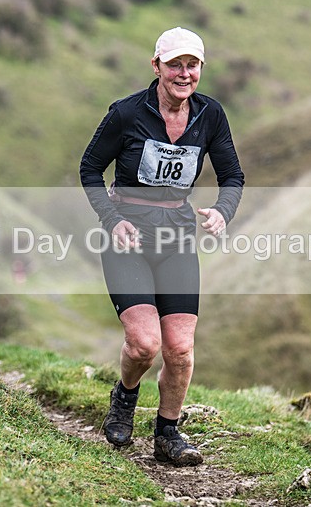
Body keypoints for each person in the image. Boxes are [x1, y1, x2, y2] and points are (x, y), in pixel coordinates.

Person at [80, 27, 244, 466]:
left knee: (181, 348)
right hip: (127, 235)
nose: (184, 73)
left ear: (201, 69)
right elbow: (91, 167)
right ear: (157, 67)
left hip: (176, 235)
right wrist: (111, 220)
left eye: (192, 65)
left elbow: (233, 176)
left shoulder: (210, 115)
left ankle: (168, 433)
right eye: (175, 64)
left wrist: (223, 211)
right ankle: (124, 398)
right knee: (143, 344)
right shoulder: (127, 113)